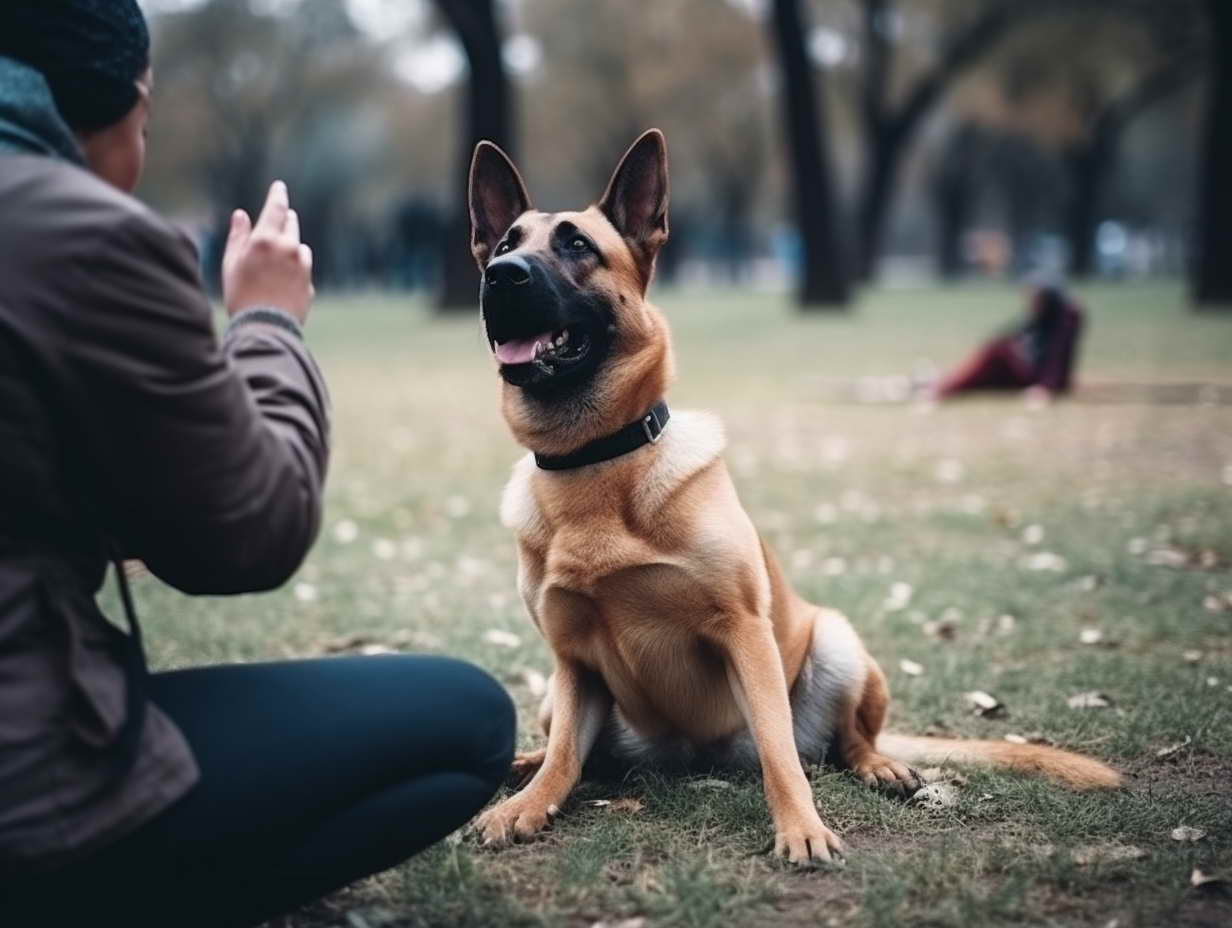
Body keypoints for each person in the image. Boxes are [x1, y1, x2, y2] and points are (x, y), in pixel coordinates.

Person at [0, 2, 514, 924]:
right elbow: (249, 536)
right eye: (148, 124)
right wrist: (267, 321)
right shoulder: (74, 231)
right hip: (26, 801)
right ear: (122, 106)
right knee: (467, 724)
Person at [933, 282, 1085, 400]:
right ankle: (940, 383)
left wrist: (1046, 387)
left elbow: (1056, 355)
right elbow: (1015, 333)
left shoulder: (1064, 320)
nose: (1031, 303)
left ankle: (943, 388)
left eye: (1036, 298)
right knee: (988, 367)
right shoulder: (1041, 320)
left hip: (1038, 378)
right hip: (1029, 372)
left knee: (996, 352)